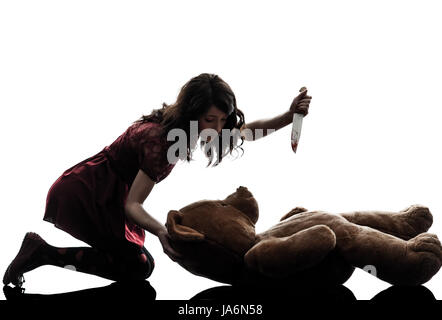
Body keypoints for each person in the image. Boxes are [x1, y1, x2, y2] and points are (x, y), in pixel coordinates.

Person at [3, 73, 312, 287]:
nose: (218, 129)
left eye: (222, 120)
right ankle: (40, 252)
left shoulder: (181, 127)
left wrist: (287, 117)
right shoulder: (162, 143)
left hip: (106, 191)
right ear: (193, 114)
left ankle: (40, 252)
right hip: (88, 192)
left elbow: (245, 132)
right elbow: (133, 205)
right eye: (210, 120)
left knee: (135, 266)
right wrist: (163, 233)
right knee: (138, 266)